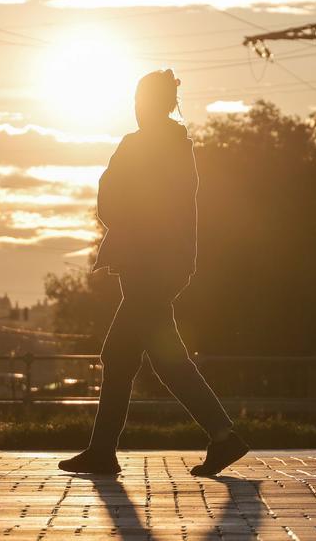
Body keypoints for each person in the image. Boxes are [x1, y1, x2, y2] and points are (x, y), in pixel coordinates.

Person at [59, 69, 249, 477]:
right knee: (159, 356)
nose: (137, 108)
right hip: (166, 263)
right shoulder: (180, 148)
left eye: (140, 100)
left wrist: (125, 213)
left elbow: (109, 199)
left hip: (147, 264)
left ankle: (105, 451)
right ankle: (220, 437)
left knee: (123, 354)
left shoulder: (140, 146)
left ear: (149, 104)